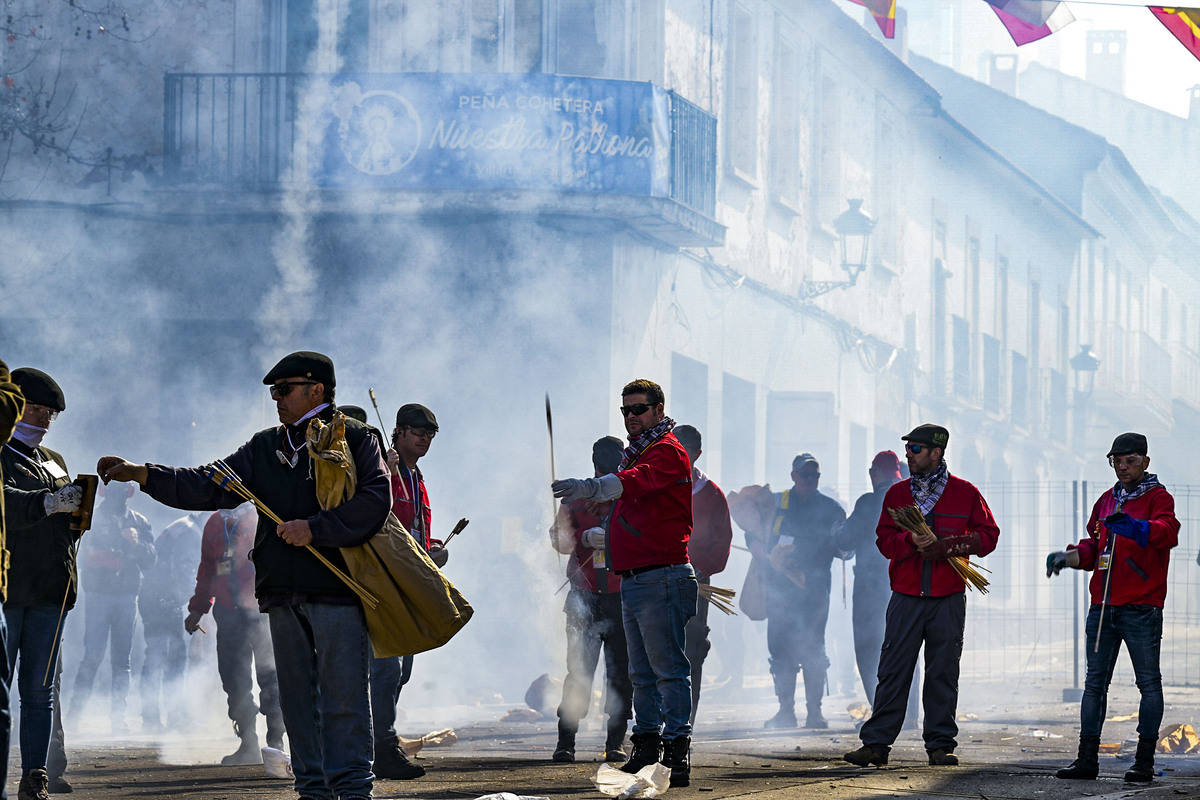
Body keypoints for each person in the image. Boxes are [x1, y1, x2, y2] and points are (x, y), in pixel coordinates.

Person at [96, 350, 391, 800]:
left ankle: (352, 791)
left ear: (317, 390)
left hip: (339, 591)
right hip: (281, 595)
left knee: (345, 699)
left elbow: (375, 499)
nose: (276, 398)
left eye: (284, 389)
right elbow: (207, 482)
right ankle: (312, 789)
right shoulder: (264, 445)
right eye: (274, 391)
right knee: (296, 701)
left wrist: (316, 529)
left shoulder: (356, 438)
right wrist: (145, 474)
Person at [552, 379, 697, 787]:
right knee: (641, 674)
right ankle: (646, 748)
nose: (631, 417)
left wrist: (590, 487)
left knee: (667, 670)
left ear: (658, 409)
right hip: (632, 578)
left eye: (638, 409)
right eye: (625, 411)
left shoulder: (666, 451)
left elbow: (629, 484)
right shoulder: (639, 454)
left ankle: (675, 753)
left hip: (660, 575)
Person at [844, 424, 999, 768]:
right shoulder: (898, 495)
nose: (908, 455)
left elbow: (988, 537)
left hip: (948, 596)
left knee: (943, 672)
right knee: (892, 670)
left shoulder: (965, 493)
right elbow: (884, 541)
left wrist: (948, 547)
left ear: (936, 453)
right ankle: (876, 745)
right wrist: (910, 542)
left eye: (915, 449)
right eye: (908, 448)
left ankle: (940, 745)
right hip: (906, 595)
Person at [1047, 432, 1179, 783]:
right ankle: (1086, 759)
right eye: (1116, 462)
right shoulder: (1107, 500)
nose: (1122, 467)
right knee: (1094, 685)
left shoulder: (1158, 497)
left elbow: (1168, 532)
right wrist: (1068, 557)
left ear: (1145, 462)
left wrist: (1138, 528)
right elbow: (1095, 547)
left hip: (1141, 606)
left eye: (1130, 461)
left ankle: (1144, 761)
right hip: (1103, 606)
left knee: (1148, 684)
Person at [2, 368, 84, 800]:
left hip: (51, 591)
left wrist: (76, 519)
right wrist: (49, 502)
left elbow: (62, 522)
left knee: (40, 690)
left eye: (50, 413)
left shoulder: (54, 459)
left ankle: (35, 773)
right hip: (10, 590)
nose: (44, 419)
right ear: (15, 406)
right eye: (36, 409)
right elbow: (4, 505)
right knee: (2, 687)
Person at [367, 403, 446, 781]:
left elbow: (413, 527)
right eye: (418, 432)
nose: (425, 439)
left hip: (410, 579)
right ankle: (380, 746)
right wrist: (388, 469)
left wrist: (431, 548)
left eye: (430, 434)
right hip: (384, 580)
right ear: (398, 431)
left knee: (402, 672)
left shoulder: (418, 477)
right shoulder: (384, 469)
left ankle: (376, 743)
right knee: (386, 669)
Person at [548, 436, 632, 764]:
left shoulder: (629, 495)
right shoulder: (576, 498)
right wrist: (579, 538)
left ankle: (615, 740)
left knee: (620, 672)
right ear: (594, 464)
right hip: (584, 594)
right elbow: (559, 539)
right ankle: (566, 738)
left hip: (622, 595)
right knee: (579, 669)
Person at [746, 453, 845, 730]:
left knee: (813, 649)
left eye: (815, 475)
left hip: (814, 593)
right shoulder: (776, 503)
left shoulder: (830, 508)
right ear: (793, 476)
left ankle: (815, 712)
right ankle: (785, 712)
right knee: (780, 651)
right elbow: (753, 527)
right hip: (780, 592)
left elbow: (844, 548)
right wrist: (754, 543)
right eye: (805, 474)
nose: (810, 480)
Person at [185, 503, 285, 765]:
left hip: (263, 608)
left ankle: (277, 743)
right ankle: (249, 744)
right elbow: (207, 568)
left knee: (272, 675)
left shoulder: (262, 514)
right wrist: (197, 609)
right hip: (228, 612)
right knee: (233, 677)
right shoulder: (214, 523)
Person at [69, 481, 155, 735]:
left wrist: (136, 544)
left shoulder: (139, 521)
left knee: (122, 661)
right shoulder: (91, 516)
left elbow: (151, 560)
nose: (119, 497)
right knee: (92, 656)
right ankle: (75, 715)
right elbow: (74, 549)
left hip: (126, 597)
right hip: (98, 595)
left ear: (128, 493)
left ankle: (118, 720)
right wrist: (93, 559)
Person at [834, 451, 906, 707]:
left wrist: (837, 530)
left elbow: (845, 540)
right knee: (905, 650)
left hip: (871, 590)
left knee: (869, 650)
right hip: (906, 587)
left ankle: (881, 712)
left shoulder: (869, 503)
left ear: (876, 474)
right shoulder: (912, 500)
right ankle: (907, 715)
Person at [672, 425, 732, 726]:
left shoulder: (711, 494)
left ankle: (684, 726)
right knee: (654, 653)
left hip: (695, 587)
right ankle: (649, 727)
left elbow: (722, 545)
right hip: (654, 585)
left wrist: (699, 568)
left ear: (696, 454)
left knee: (691, 654)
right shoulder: (654, 487)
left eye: (683, 452)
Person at [138, 512, 202, 734]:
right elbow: (187, 570)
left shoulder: (184, 525)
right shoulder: (191, 532)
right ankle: (170, 717)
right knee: (171, 657)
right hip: (163, 599)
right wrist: (195, 605)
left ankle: (152, 717)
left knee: (156, 655)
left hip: (156, 596)